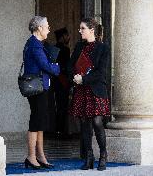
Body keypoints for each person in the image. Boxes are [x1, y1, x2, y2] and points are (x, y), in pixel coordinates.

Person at [68, 18, 110, 171]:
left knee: (97, 122)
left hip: (96, 90)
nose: (80, 31)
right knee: (85, 125)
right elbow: (70, 65)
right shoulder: (79, 46)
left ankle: (103, 155)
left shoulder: (103, 48)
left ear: (92, 30)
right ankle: (89, 157)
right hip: (81, 90)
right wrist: (75, 76)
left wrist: (84, 78)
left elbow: (101, 73)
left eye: (82, 28)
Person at [23, 16, 60, 169]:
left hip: (40, 87)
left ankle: (40, 156)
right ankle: (31, 157)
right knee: (36, 121)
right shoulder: (35, 45)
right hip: (37, 88)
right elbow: (45, 66)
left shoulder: (36, 43)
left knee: (40, 122)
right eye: (47, 26)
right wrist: (57, 68)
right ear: (39, 28)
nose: (49, 29)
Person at [54, 27, 71, 136]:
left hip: (56, 81)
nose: (68, 37)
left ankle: (58, 129)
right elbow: (67, 66)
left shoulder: (54, 49)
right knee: (63, 106)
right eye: (67, 35)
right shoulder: (65, 50)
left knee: (58, 105)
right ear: (63, 36)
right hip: (63, 80)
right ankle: (62, 130)